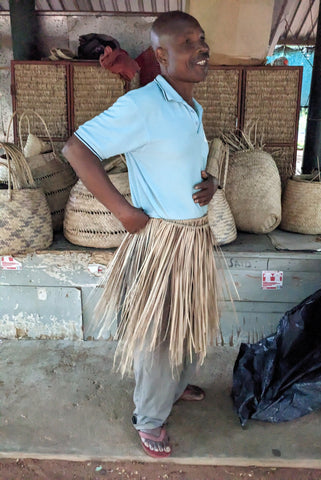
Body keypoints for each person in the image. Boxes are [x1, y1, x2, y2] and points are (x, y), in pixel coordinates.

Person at [62, 10, 220, 458]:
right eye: (187, 43)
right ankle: (149, 416)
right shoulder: (143, 105)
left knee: (192, 320)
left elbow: (180, 163)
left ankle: (173, 388)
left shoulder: (192, 107)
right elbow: (76, 148)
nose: (201, 49)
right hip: (163, 241)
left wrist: (212, 183)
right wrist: (123, 211)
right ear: (160, 55)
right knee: (162, 332)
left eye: (201, 39)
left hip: (194, 236)